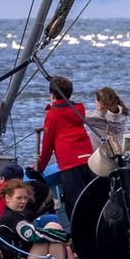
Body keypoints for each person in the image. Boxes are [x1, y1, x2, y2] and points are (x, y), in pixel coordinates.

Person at [36, 74, 97, 219]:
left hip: (71, 164)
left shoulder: (53, 114)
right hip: (88, 159)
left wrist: (39, 169)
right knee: (93, 202)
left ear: (52, 95)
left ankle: (79, 239)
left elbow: (47, 145)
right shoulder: (77, 110)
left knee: (75, 206)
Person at [87, 86, 130, 157]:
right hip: (121, 154)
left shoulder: (95, 119)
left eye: (96, 100)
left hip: (103, 157)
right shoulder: (121, 115)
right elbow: (113, 116)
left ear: (101, 103)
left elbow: (78, 114)